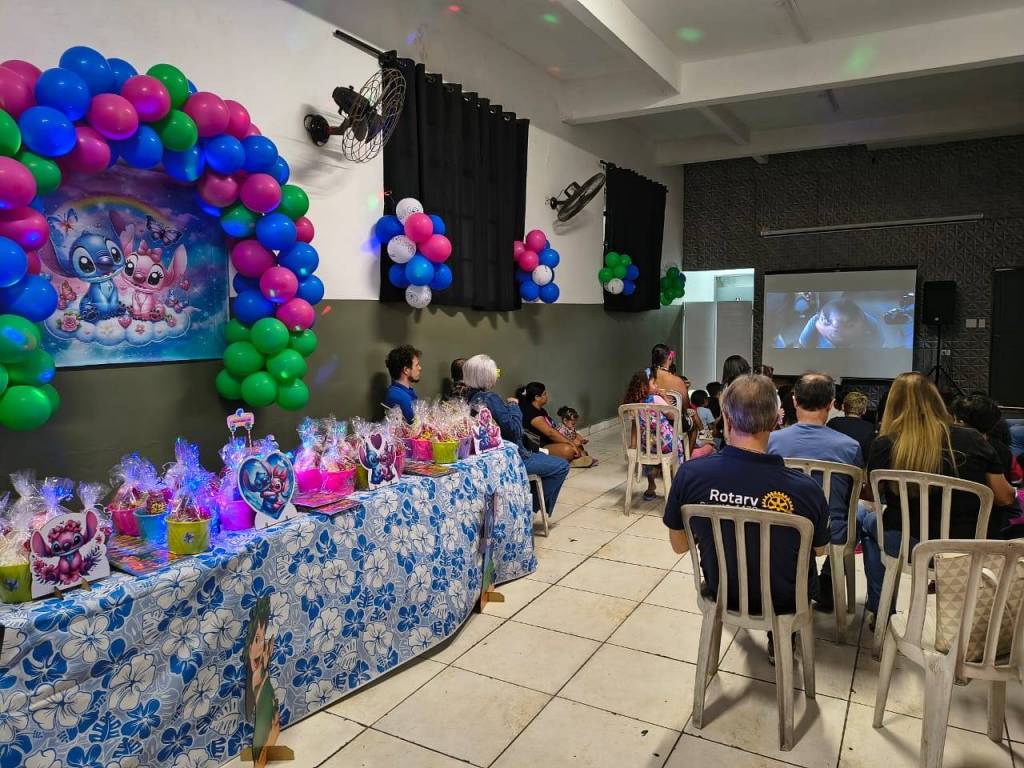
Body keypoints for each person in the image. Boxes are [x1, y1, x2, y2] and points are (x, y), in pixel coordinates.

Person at [663, 374, 829, 664]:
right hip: (787, 602)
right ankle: (782, 642)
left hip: (722, 592)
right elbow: (819, 550)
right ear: (776, 421)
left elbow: (679, 546)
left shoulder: (690, 475)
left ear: (726, 419)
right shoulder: (806, 489)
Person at [860, 373, 1017, 622]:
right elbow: (1005, 498)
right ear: (936, 401)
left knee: (868, 523)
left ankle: (882, 610)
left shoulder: (885, 444)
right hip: (966, 546)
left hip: (907, 545)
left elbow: (871, 495)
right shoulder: (973, 439)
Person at [768, 372, 864, 612]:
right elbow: (851, 496)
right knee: (860, 514)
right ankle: (829, 580)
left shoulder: (772, 441)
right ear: (831, 404)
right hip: (833, 532)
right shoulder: (850, 447)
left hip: (781, 526)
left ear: (794, 401)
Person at [462, 355, 569, 515]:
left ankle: (528, 502)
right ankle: (527, 509)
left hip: (486, 457)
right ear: (487, 375)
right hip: (513, 457)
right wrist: (513, 405)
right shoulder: (490, 398)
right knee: (562, 466)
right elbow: (514, 430)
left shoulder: (467, 398)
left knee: (544, 456)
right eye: (496, 372)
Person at [516, 382, 595, 467]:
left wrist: (573, 442)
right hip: (540, 447)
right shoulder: (531, 413)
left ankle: (574, 459)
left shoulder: (541, 411)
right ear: (537, 397)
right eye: (544, 394)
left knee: (578, 446)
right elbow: (550, 433)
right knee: (569, 450)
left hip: (549, 443)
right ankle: (569, 461)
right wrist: (571, 444)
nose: (547, 396)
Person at [797, 296, 883, 348]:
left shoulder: (869, 322)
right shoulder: (816, 320)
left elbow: (879, 344)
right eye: (824, 321)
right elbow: (802, 344)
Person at [828, 391, 875, 462]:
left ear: (843, 407)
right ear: (864, 411)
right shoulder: (870, 428)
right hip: (856, 468)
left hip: (832, 465)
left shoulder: (833, 423)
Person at [383, 344, 421, 422]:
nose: (420, 368)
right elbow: (416, 425)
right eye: (417, 365)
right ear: (406, 370)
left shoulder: (398, 391)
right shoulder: (401, 397)